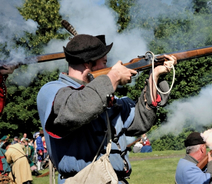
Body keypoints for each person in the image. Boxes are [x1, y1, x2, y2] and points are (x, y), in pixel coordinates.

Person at [36, 33, 177, 184]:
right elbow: (76, 108)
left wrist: (153, 76)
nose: (107, 68)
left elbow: (140, 122)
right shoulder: (52, 90)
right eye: (104, 62)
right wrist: (114, 77)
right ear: (87, 64)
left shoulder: (104, 95)